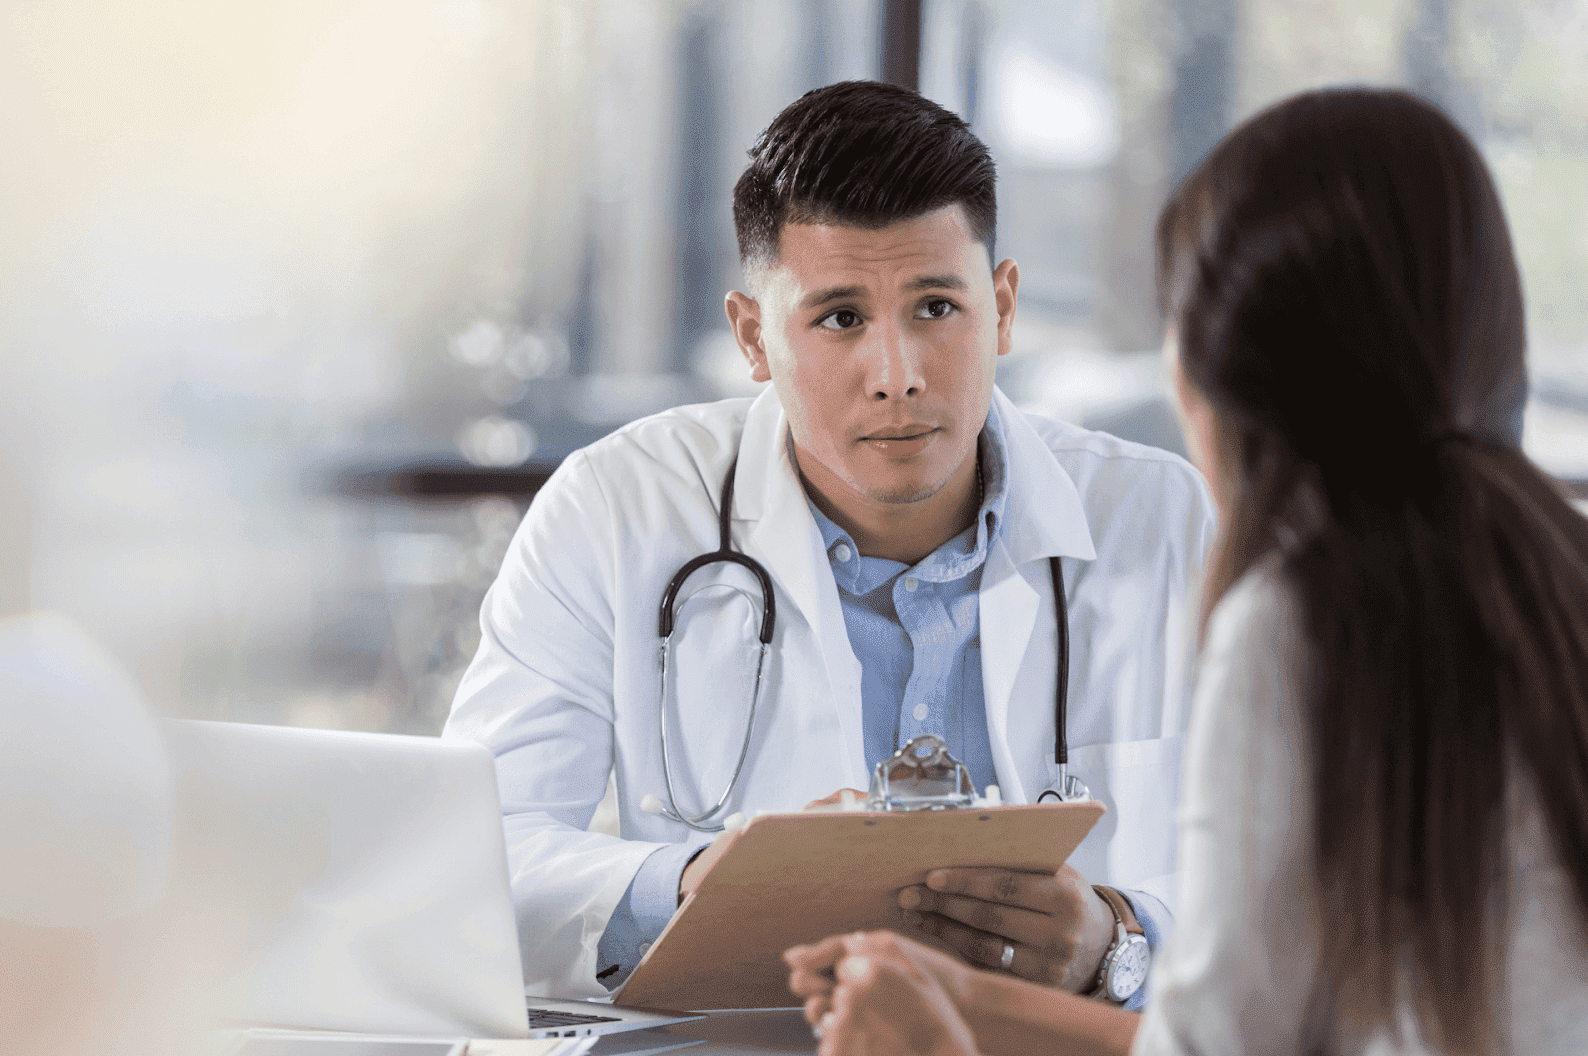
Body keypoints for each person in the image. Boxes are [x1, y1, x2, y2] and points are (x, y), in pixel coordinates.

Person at [784, 86, 1588, 1055]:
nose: (896, 372)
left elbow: (1217, 1046)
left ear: (1217, 365)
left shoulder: (1302, 620)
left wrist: (935, 1031)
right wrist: (966, 997)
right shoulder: (1550, 567)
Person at [443, 80, 1214, 1001]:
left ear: (1002, 308)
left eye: (936, 307)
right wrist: (697, 887)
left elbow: (1302, 877)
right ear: (753, 336)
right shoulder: (614, 508)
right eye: (840, 317)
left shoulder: (1162, 519)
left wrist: (1119, 940)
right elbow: (472, 862)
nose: (897, 376)